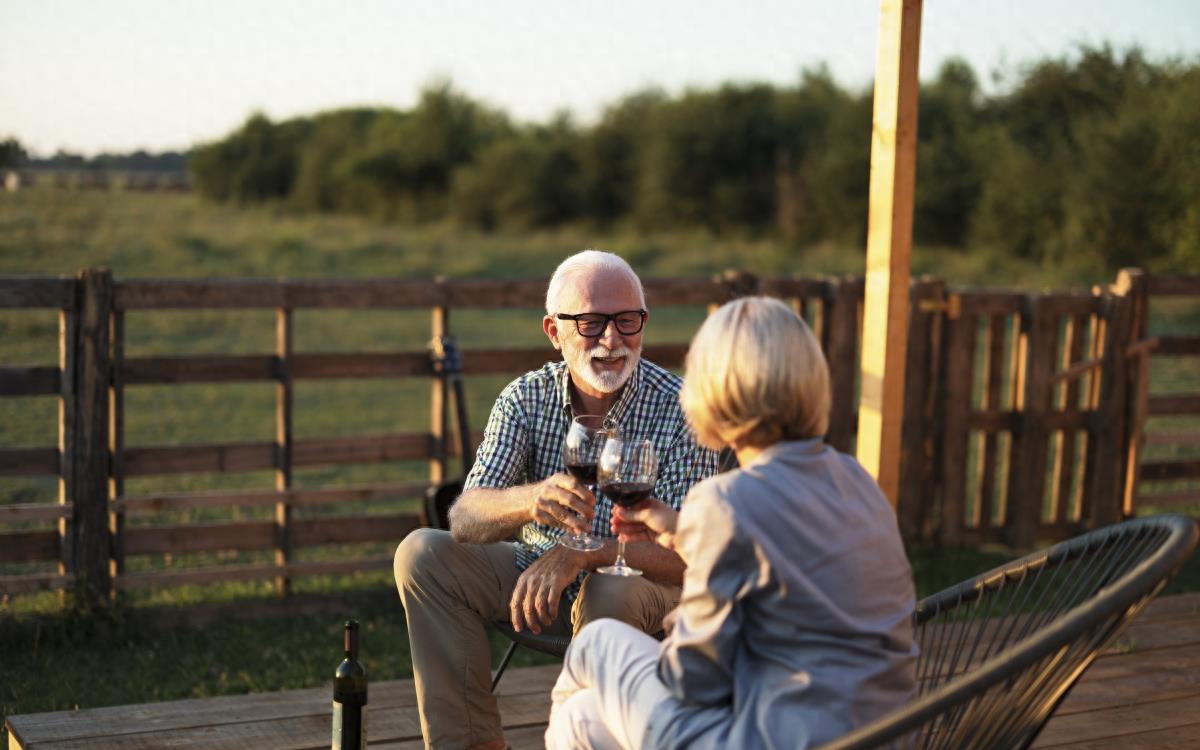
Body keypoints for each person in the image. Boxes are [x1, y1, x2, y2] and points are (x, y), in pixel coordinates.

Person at [545, 296, 918, 750]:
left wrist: (685, 610)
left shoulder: (725, 502)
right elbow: (786, 555)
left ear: (714, 391)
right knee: (583, 716)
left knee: (597, 643)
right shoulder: (857, 480)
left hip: (769, 737)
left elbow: (694, 679)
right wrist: (687, 534)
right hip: (880, 733)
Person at [393, 249, 721, 750]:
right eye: (591, 323)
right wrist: (528, 501)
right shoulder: (525, 398)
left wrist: (587, 554)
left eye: (627, 321)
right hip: (537, 569)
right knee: (422, 553)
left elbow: (687, 561)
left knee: (607, 591)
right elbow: (464, 516)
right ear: (554, 331)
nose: (612, 340)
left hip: (642, 581)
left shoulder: (682, 410)